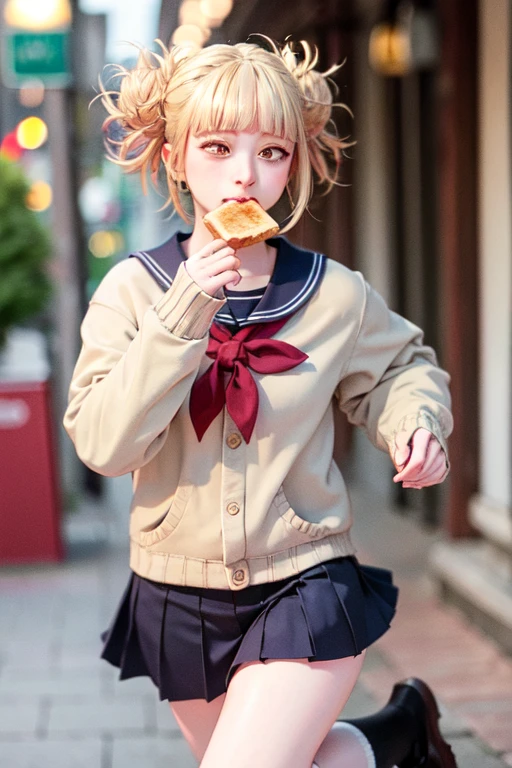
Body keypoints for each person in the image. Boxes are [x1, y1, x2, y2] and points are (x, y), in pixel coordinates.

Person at [63, 35, 457, 768]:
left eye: (272, 152)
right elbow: (104, 446)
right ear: (176, 156)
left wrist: (417, 423)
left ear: (296, 164)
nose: (245, 174)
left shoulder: (334, 293)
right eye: (217, 147)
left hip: (305, 581)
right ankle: (400, 738)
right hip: (178, 595)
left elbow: (404, 368)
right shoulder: (131, 292)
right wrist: (183, 316)